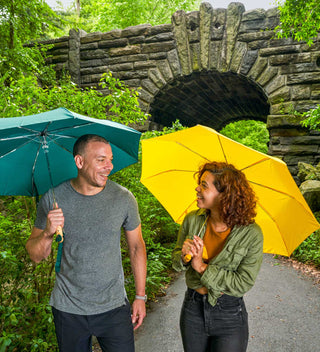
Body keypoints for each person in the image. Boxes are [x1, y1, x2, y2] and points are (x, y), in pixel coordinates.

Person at [26, 134, 147, 352]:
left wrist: (140, 296)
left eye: (110, 159)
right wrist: (47, 233)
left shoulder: (123, 198)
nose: (109, 166)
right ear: (79, 162)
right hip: (68, 308)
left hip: (114, 307)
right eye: (101, 160)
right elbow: (35, 255)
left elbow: (137, 247)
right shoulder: (52, 199)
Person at [172, 161, 263, 352]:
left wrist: (201, 267)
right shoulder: (192, 220)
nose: (197, 188)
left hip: (229, 315)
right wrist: (183, 256)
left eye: (204, 185)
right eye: (200, 183)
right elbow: (175, 261)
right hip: (192, 310)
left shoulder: (251, 234)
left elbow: (243, 282)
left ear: (225, 195)